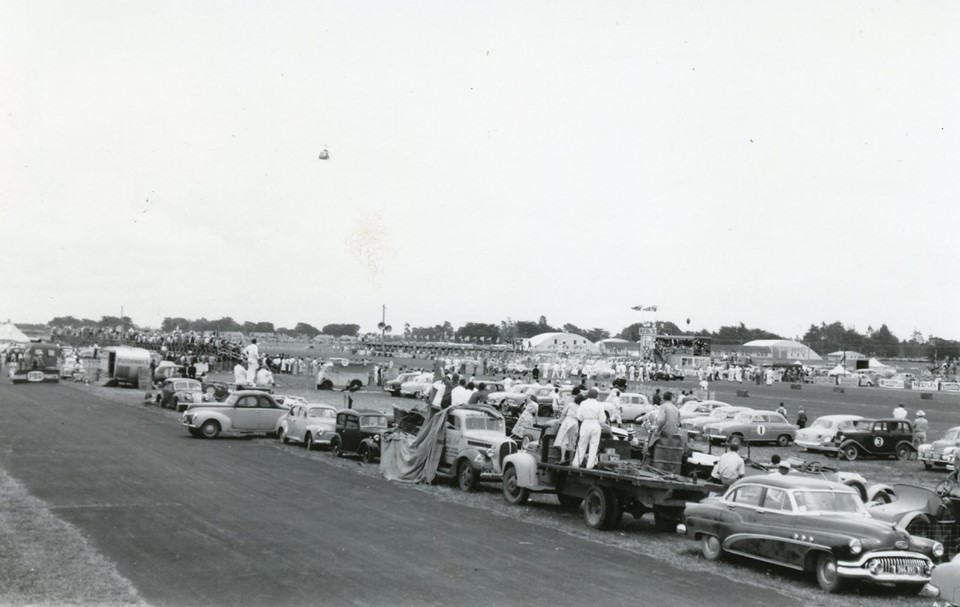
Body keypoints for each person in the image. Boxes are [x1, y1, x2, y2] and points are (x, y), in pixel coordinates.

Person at [573, 388, 605, 469]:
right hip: (595, 424)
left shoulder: (583, 403)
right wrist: (599, 423)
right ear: (596, 396)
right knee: (594, 446)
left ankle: (576, 463)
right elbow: (602, 419)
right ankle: (590, 465)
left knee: (581, 445)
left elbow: (579, 416)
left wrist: (585, 419)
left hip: (585, 424)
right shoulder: (599, 405)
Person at [647, 391, 680, 457]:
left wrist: (657, 431)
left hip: (665, 432)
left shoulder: (663, 407)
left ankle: (650, 453)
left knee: (652, 434)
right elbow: (678, 423)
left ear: (663, 398)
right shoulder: (676, 409)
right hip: (674, 432)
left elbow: (661, 420)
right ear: (671, 398)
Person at [555, 393, 580, 463]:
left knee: (564, 439)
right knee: (573, 441)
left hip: (568, 421)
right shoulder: (581, 407)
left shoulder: (570, 405)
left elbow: (563, 413)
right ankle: (571, 460)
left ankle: (562, 458)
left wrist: (559, 422)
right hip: (575, 422)